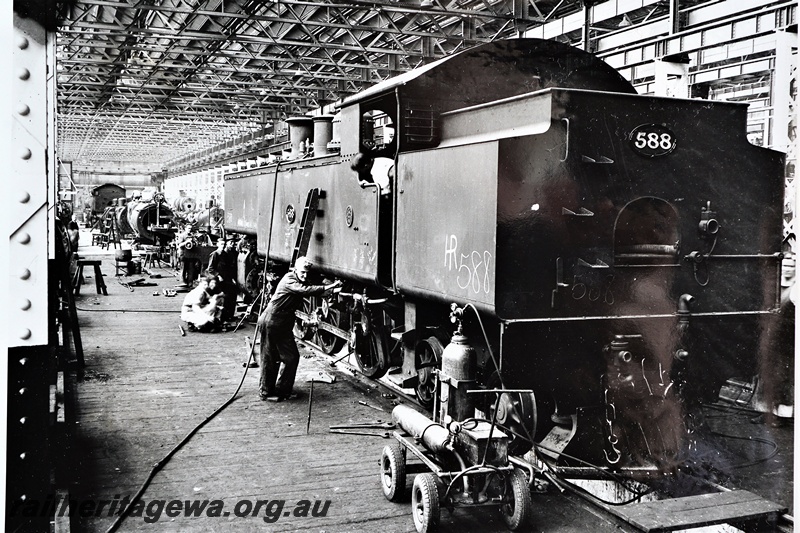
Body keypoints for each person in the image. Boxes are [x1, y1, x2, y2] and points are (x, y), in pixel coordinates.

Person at [258, 257, 342, 401]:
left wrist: (333, 290)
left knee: (292, 357)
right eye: (302, 272)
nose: (304, 275)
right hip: (271, 321)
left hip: (283, 325)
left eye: (307, 273)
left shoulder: (301, 279)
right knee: (270, 357)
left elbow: (312, 290)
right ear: (295, 269)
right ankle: (266, 392)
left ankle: (283, 391)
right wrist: (328, 286)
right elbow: (304, 290)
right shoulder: (289, 279)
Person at [207, 238, 239, 322]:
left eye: (224, 244)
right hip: (219, 280)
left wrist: (232, 278)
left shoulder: (226, 255)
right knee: (222, 298)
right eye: (221, 244)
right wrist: (218, 276)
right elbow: (210, 269)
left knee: (232, 295)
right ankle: (221, 317)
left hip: (227, 279)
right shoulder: (215, 254)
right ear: (217, 244)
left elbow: (229, 268)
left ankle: (229, 316)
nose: (223, 246)